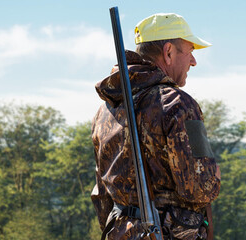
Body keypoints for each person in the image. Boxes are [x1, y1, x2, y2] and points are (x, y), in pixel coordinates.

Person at [91, 13, 221, 240]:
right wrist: (214, 173)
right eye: (190, 51)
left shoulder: (104, 112)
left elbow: (102, 197)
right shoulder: (180, 105)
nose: (193, 61)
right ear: (168, 52)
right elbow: (201, 187)